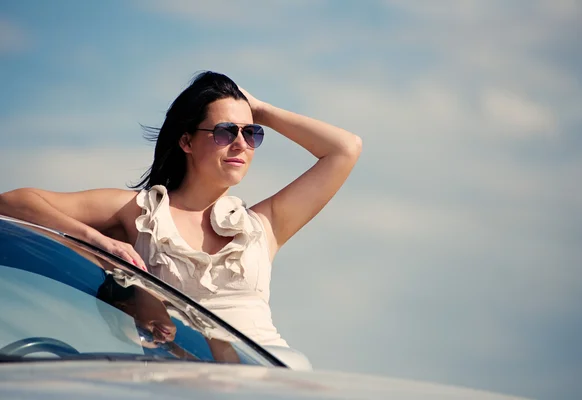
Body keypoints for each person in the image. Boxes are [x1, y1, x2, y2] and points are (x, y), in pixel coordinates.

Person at [0, 71, 362, 354]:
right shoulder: (138, 211)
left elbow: (345, 149)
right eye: (225, 131)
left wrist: (260, 109)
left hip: (270, 384)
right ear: (186, 141)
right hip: (179, 385)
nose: (241, 143)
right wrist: (97, 241)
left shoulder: (264, 225)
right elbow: (13, 201)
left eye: (251, 133)